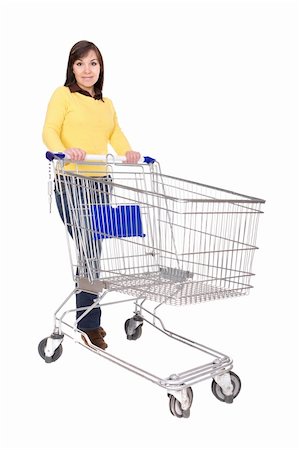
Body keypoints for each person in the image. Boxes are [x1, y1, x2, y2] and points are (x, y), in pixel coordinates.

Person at [42, 40, 140, 350]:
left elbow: (115, 133)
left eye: (93, 63)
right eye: (81, 63)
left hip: (101, 183)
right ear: (72, 67)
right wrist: (62, 150)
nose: (88, 69)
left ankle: (88, 318)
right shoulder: (63, 95)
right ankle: (88, 325)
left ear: (101, 68)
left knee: (92, 251)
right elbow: (49, 129)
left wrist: (128, 152)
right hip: (71, 182)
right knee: (87, 249)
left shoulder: (106, 103)